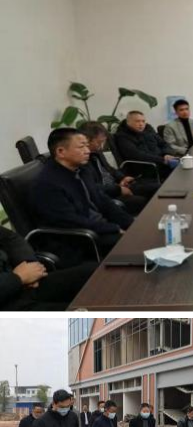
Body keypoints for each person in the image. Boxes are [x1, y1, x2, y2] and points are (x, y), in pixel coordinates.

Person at [31, 128, 134, 266]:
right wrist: (114, 228)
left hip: (99, 227)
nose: (87, 150)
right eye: (81, 147)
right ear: (61, 152)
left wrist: (130, 223)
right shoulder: (48, 184)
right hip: (80, 239)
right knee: (135, 245)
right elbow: (71, 221)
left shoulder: (81, 169)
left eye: (87, 145)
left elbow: (103, 201)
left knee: (141, 232)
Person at [0, 225, 96, 311]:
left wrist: (29, 265)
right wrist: (18, 278)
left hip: (22, 284)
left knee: (94, 274)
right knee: (85, 313)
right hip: (8, 302)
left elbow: (10, 238)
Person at [80, 122, 159, 213]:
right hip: (106, 194)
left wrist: (122, 178)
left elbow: (109, 168)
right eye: (99, 142)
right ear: (87, 140)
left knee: (156, 187)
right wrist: (118, 190)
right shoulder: (82, 159)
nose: (101, 146)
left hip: (117, 185)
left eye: (103, 142)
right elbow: (93, 188)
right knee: (141, 201)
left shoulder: (96, 152)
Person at [115, 111, 179, 179]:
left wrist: (167, 154)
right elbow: (136, 155)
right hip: (146, 168)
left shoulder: (148, 130)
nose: (141, 124)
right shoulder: (122, 136)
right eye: (137, 121)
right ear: (128, 122)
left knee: (183, 168)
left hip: (162, 163)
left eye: (143, 121)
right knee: (179, 173)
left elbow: (163, 144)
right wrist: (162, 160)